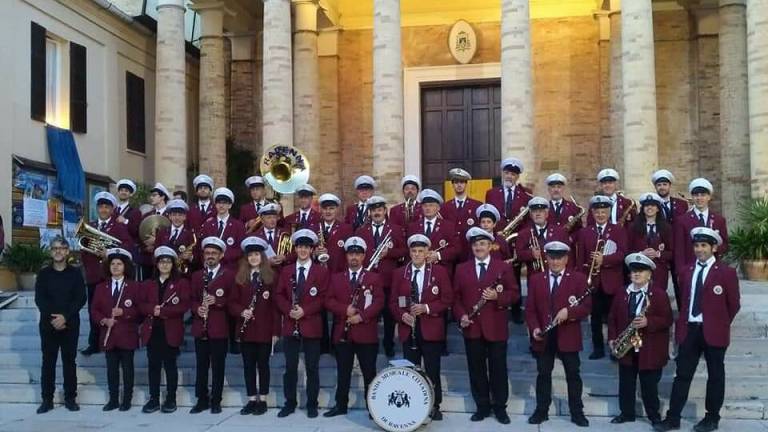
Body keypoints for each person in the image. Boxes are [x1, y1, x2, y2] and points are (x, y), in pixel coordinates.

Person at [655, 227, 741, 432]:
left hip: (713, 331)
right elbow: (685, 301)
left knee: (716, 376)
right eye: (696, 245)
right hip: (690, 330)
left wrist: (718, 322)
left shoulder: (726, 273)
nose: (699, 249)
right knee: (682, 375)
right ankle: (673, 417)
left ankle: (712, 418)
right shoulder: (686, 271)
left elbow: (734, 304)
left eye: (704, 245)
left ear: (714, 247)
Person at [453, 227, 518, 424]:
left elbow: (514, 294)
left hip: (496, 327)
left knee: (498, 369)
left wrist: (498, 296)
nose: (478, 247)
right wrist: (462, 315)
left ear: (490, 246)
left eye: (482, 244)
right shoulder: (461, 269)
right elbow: (455, 298)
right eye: (475, 244)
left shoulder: (503, 267)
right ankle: (482, 406)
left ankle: (500, 407)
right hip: (472, 327)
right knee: (477, 369)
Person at [525, 241, 590, 427]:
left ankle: (577, 412)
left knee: (573, 375)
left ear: (566, 259)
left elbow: (586, 306)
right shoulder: (536, 279)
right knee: (543, 374)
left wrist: (569, 313)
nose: (555, 262)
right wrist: (535, 328)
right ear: (547, 258)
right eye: (552, 258)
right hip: (544, 336)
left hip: (567, 334)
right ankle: (541, 411)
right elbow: (530, 310)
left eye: (559, 258)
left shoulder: (578, 278)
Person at [390, 234, 453, 420]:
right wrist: (402, 315)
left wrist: (426, 308)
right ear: (409, 252)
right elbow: (393, 302)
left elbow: (447, 299)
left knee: (433, 368)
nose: (417, 254)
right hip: (408, 329)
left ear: (427, 252)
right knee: (411, 370)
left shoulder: (439, 272)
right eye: (414, 251)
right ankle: (414, 402)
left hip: (430, 328)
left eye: (421, 251)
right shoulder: (399, 273)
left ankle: (434, 405)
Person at [608, 253, 673, 426]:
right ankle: (626, 413)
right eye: (633, 271)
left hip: (649, 348)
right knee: (626, 383)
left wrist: (648, 321)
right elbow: (612, 317)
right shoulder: (622, 292)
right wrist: (612, 338)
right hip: (627, 346)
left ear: (649, 274)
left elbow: (667, 320)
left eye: (641, 271)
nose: (636, 274)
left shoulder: (658, 294)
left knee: (649, 385)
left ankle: (654, 416)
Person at [323, 237, 384, 417]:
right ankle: (340, 405)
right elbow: (328, 300)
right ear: (346, 256)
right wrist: (345, 310)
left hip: (366, 333)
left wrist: (361, 316)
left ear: (364, 256)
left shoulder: (374, 277)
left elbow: (379, 302)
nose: (354, 257)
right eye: (351, 254)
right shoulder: (335, 278)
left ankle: (372, 408)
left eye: (358, 254)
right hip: (343, 333)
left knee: (369, 373)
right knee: (343, 372)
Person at [274, 229, 329, 418]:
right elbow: (279, 295)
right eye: (300, 247)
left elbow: (323, 298)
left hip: (311, 324)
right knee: (290, 367)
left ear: (312, 250)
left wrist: (305, 311)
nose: (303, 250)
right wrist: (287, 309)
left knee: (312, 368)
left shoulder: (320, 271)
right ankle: (290, 403)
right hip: (291, 324)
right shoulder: (287, 270)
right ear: (295, 249)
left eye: (307, 247)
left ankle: (312, 404)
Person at [34, 236, 87, 414]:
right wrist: (54, 320)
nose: (58, 251)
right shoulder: (43, 274)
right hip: (48, 325)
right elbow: (40, 299)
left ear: (67, 251)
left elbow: (80, 298)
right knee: (48, 362)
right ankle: (47, 400)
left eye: (61, 248)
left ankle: (70, 399)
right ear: (51, 251)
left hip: (70, 324)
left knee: (69, 362)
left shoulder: (75, 273)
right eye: (55, 248)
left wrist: (64, 317)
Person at [80, 191, 133, 356]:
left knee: (113, 308)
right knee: (93, 310)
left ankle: (113, 340)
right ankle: (94, 342)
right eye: (101, 207)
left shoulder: (119, 227)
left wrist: (108, 253)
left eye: (106, 207)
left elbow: (128, 247)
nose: (103, 210)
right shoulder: (91, 226)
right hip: (95, 276)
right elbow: (83, 249)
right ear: (97, 208)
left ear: (112, 209)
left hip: (112, 276)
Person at [139, 246, 190, 414]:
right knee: (153, 366)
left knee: (170, 365)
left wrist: (164, 312)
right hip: (153, 330)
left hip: (171, 330)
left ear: (173, 264)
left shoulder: (181, 283)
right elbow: (141, 304)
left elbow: (183, 306)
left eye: (168, 262)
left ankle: (170, 399)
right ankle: (153, 399)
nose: (165, 265)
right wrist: (151, 309)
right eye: (162, 261)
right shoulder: (148, 283)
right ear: (157, 264)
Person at [575, 195, 627, 359]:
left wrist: (603, 259)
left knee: (615, 317)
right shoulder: (585, 232)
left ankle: (616, 347)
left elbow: (622, 255)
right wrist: (583, 281)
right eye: (597, 212)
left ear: (609, 212)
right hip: (594, 282)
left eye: (604, 211)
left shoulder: (618, 230)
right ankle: (598, 348)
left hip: (613, 282)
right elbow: (581, 259)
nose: (600, 215)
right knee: (595, 317)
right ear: (592, 213)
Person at [230, 237, 277, 416]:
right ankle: (251, 398)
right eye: (250, 255)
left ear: (262, 256)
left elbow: (275, 308)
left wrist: (275, 331)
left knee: (263, 365)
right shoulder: (240, 278)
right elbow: (232, 302)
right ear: (246, 258)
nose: (254, 258)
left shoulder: (271, 278)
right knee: (248, 365)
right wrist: (242, 312)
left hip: (264, 330)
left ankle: (262, 399)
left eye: (257, 254)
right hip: (246, 329)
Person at [356, 195, 407, 358]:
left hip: (388, 279)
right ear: (369, 213)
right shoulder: (361, 231)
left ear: (385, 211)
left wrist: (389, 253)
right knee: (368, 313)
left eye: (380, 210)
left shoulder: (395, 229)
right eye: (373, 210)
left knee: (389, 315)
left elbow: (404, 251)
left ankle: (388, 344)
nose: (377, 213)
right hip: (368, 280)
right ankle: (368, 343)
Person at [189, 237, 234, 414]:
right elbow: (191, 299)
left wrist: (218, 301)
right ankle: (201, 399)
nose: (210, 256)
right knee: (201, 365)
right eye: (207, 253)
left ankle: (216, 400)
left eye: (214, 253)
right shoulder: (197, 275)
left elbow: (234, 300)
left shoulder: (229, 275)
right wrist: (197, 308)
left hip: (219, 327)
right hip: (201, 326)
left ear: (221, 255)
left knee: (218, 366)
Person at [91, 248, 140, 411]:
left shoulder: (133, 287)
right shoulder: (101, 287)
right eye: (113, 264)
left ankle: (127, 399)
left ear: (125, 266)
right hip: (109, 335)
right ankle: (113, 399)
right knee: (111, 370)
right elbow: (94, 310)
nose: (116, 267)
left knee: (127, 369)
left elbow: (140, 311)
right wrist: (103, 320)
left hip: (127, 335)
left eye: (119, 264)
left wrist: (124, 312)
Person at [484, 157, 531, 323]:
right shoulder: (491, 193)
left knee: (515, 276)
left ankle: (517, 311)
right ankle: (495, 307)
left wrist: (519, 241)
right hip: (496, 241)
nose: (509, 176)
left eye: (513, 174)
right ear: (503, 174)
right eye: (507, 173)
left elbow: (527, 223)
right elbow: (488, 217)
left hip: (515, 242)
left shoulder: (526, 196)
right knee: (494, 273)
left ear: (517, 177)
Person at [651, 170, 689, 312]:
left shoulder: (681, 205)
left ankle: (682, 312)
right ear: (655, 187)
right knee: (658, 284)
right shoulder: (651, 205)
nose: (662, 187)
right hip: (658, 250)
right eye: (659, 184)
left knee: (680, 283)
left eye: (665, 184)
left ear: (670, 186)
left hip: (677, 249)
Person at [673, 178, 729, 271]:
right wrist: (681, 272)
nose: (699, 198)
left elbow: (725, 244)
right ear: (692, 197)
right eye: (696, 195)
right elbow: (679, 251)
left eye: (703, 195)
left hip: (713, 269)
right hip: (691, 269)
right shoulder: (682, 220)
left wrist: (715, 248)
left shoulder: (719, 220)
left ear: (709, 197)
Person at [514, 196, 572, 278]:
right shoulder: (523, 233)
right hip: (535, 278)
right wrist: (531, 254)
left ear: (546, 214)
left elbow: (568, 255)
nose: (538, 214)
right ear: (530, 215)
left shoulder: (560, 232)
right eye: (534, 211)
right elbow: (519, 256)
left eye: (541, 211)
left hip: (558, 276)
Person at [628, 193, 673, 293]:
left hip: (659, 272)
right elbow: (627, 251)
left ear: (657, 209)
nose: (649, 208)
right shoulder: (633, 227)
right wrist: (641, 254)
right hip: (639, 272)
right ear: (643, 208)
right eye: (646, 205)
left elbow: (672, 252)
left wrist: (658, 254)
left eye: (653, 205)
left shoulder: (666, 228)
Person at [441, 168, 482, 254]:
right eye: (456, 182)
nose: (459, 185)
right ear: (452, 185)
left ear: (466, 184)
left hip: (470, 250)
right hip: (451, 250)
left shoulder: (476, 205)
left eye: (462, 182)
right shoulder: (445, 207)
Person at [155, 199, 196, 276]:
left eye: (180, 215)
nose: (177, 218)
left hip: (182, 275)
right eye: (174, 215)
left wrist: (190, 257)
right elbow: (155, 253)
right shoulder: (162, 233)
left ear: (185, 217)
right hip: (163, 272)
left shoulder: (190, 235)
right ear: (169, 216)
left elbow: (197, 259)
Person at [139, 183, 171, 280]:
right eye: (151, 195)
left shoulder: (171, 215)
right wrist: (146, 245)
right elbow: (141, 233)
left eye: (154, 195)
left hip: (165, 258)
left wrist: (156, 242)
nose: (151, 198)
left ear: (162, 197)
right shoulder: (147, 215)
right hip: (148, 259)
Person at [315, 193, 354, 274]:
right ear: (321, 210)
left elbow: (350, 253)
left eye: (331, 208)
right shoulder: (314, 228)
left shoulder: (346, 229)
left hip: (338, 274)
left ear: (337, 210)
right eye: (325, 208)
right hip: (317, 275)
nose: (328, 211)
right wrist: (314, 253)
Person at [113, 178, 142, 247]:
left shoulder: (136, 212)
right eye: (121, 190)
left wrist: (125, 221)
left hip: (127, 247)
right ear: (118, 192)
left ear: (131, 194)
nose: (123, 192)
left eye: (126, 191)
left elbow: (136, 232)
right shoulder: (112, 210)